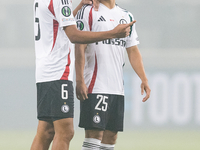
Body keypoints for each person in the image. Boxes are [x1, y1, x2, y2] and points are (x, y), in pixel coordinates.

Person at [31, 0, 134, 149]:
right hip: (59, 71)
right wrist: (113, 33)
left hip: (44, 70)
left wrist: (79, 6)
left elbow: (58, 23)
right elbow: (74, 36)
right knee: (66, 132)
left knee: (46, 131)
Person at [75, 0, 151, 149]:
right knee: (94, 135)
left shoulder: (126, 15)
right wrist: (79, 80)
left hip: (116, 87)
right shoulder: (88, 11)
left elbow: (132, 49)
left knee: (111, 137)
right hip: (95, 84)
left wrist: (144, 78)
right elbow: (80, 46)